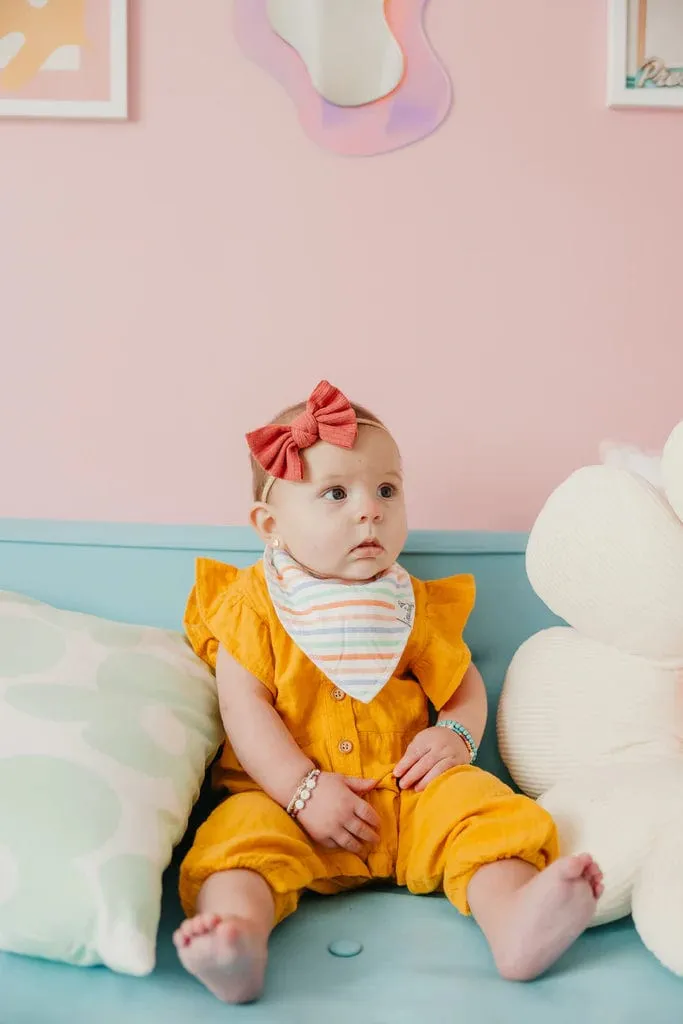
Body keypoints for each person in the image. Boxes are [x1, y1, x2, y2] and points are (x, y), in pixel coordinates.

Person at [173, 380, 603, 1003]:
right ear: (270, 524)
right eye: (335, 493)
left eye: (386, 489)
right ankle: (236, 939)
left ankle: (512, 919)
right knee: (236, 838)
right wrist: (301, 789)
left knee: (479, 806)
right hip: (290, 808)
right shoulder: (254, 606)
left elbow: (461, 686)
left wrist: (454, 735)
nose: (369, 509)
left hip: (406, 799)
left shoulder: (409, 604)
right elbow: (244, 709)